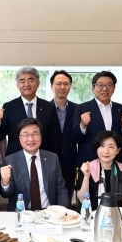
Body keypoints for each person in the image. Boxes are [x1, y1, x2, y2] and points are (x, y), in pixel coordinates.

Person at [0, 118, 69, 211]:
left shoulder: (52, 158)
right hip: (22, 213)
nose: (31, 139)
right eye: (25, 135)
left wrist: (62, 211)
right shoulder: (10, 160)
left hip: (48, 212)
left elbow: (61, 189)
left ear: (41, 136)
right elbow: (6, 194)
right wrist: (5, 182)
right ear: (19, 138)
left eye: (35, 134)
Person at [0, 67, 61, 157]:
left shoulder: (49, 107)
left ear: (38, 83)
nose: (26, 84)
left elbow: (55, 137)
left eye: (30, 80)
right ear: (17, 85)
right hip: (16, 160)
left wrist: (54, 159)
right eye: (22, 81)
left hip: (43, 158)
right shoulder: (9, 107)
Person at [72, 71, 122, 167]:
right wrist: (82, 126)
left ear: (114, 88)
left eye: (109, 85)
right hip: (89, 160)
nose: (104, 89)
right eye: (100, 85)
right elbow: (75, 137)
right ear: (93, 88)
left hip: (116, 161)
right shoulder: (82, 108)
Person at [75, 131, 122, 211]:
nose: (106, 151)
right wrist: (86, 176)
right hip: (90, 216)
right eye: (102, 146)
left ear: (118, 150)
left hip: (116, 217)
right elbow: (82, 199)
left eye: (111, 147)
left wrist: (121, 215)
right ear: (97, 148)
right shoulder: (87, 167)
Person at [49, 70, 79, 205]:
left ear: (70, 86)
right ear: (51, 86)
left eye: (66, 84)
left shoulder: (78, 109)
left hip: (70, 162)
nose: (62, 87)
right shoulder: (43, 108)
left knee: (66, 199)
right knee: (48, 198)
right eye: (58, 84)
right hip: (48, 160)